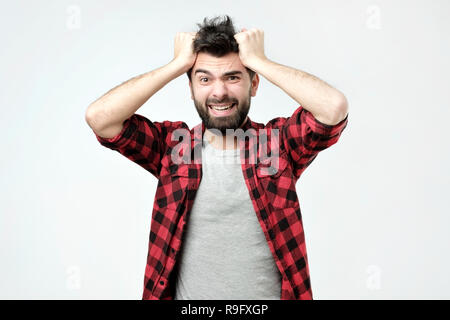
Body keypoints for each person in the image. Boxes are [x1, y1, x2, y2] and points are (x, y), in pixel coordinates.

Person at [85, 15, 349, 300]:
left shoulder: (277, 144)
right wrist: (175, 66)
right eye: (204, 79)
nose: (219, 92)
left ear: (254, 84)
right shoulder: (174, 147)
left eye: (233, 77)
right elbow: (100, 119)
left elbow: (333, 108)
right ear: (191, 88)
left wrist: (260, 61)